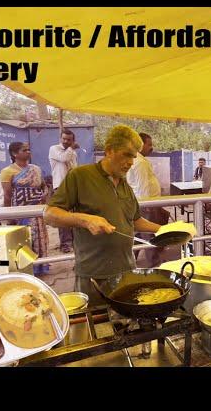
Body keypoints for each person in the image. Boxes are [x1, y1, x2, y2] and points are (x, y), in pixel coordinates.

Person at [44, 125, 164, 304]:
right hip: (94, 276)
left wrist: (166, 230)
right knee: (96, 326)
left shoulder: (124, 184)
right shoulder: (80, 176)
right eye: (127, 154)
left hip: (126, 273)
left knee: (122, 326)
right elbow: (50, 214)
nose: (131, 162)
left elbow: (135, 220)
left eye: (134, 156)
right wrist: (85, 220)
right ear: (109, 151)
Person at [0, 142, 50, 275]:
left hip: (37, 210)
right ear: (14, 154)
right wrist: (9, 215)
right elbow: (8, 195)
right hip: (20, 211)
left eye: (29, 150)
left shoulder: (36, 169)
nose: (28, 152)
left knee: (39, 238)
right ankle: (25, 268)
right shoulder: (7, 172)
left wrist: (44, 197)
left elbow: (44, 186)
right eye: (24, 150)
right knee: (25, 238)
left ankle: (40, 267)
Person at [126, 132, 168, 265]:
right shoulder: (140, 162)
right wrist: (148, 207)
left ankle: (129, 260)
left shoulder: (138, 160)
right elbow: (142, 187)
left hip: (142, 204)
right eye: (149, 144)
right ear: (140, 144)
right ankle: (155, 264)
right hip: (145, 205)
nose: (152, 147)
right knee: (149, 235)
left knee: (139, 235)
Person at [49, 128, 79, 253]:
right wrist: (71, 148)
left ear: (73, 140)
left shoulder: (72, 152)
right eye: (64, 139)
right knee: (62, 217)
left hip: (72, 187)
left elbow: (74, 167)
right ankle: (65, 244)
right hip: (60, 187)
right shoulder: (54, 149)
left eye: (69, 140)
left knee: (73, 216)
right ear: (60, 139)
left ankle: (73, 241)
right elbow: (64, 159)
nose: (66, 141)